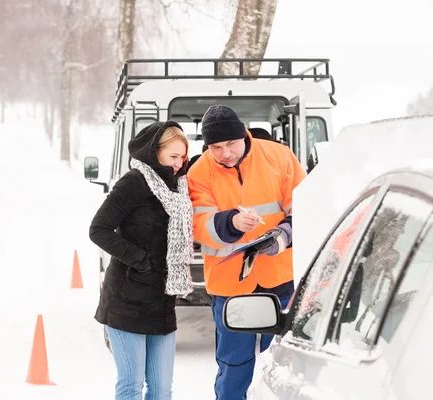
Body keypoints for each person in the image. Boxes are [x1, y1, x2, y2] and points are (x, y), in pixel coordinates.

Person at [186, 105, 306, 400]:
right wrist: (232, 222)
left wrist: (282, 235)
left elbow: (305, 206)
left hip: (281, 279)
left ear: (244, 136)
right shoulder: (199, 171)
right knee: (233, 365)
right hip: (231, 286)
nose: (224, 153)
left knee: (283, 363)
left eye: (230, 144)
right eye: (216, 147)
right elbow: (199, 224)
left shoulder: (279, 157)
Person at [89, 120, 194, 400]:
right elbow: (98, 230)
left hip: (162, 303)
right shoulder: (133, 183)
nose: (179, 163)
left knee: (161, 390)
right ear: (154, 152)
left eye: (183, 157)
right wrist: (141, 260)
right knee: (131, 387)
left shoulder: (179, 187)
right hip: (127, 301)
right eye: (174, 156)